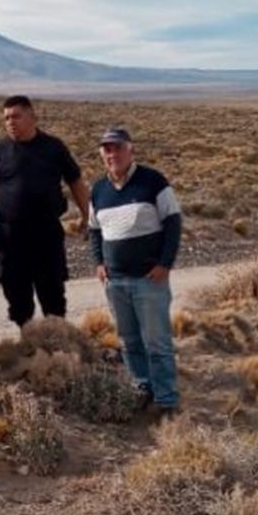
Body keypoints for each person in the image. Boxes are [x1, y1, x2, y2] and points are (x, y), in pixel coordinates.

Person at [0, 95, 90, 328]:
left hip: (46, 234)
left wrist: (88, 215)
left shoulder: (54, 148)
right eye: (6, 118)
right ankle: (28, 344)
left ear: (32, 117)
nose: (10, 122)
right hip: (10, 237)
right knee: (17, 296)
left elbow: (75, 181)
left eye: (16, 116)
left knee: (53, 293)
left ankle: (56, 344)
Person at [88, 127, 182, 417]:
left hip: (148, 279)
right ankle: (142, 386)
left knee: (157, 342)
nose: (111, 154)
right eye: (106, 149)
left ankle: (166, 399)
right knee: (129, 341)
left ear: (131, 150)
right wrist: (99, 262)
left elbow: (174, 222)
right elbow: (94, 230)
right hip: (115, 281)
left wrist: (165, 264)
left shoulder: (153, 181)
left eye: (117, 148)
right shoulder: (99, 190)